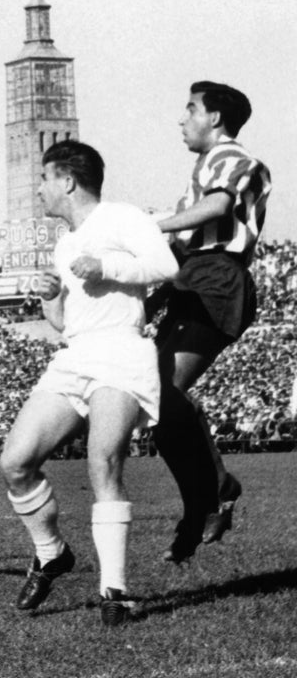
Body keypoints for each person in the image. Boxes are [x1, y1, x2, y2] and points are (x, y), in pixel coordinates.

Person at [0, 140, 177, 627]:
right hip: (77, 355)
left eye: (44, 179)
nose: (38, 189)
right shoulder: (65, 243)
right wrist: (52, 299)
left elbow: (167, 266)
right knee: (15, 462)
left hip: (121, 350)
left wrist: (107, 266)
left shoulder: (122, 217)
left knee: (103, 461)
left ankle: (114, 592)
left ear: (68, 181)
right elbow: (63, 324)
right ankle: (51, 553)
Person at [149, 81, 271, 563]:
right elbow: (183, 243)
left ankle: (210, 499)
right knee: (157, 403)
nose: (182, 119)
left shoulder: (233, 159)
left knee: (162, 396)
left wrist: (150, 224)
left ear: (215, 118)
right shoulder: (202, 170)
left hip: (216, 280)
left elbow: (219, 208)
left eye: (190, 109)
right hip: (190, 279)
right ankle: (214, 492)